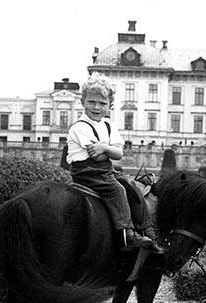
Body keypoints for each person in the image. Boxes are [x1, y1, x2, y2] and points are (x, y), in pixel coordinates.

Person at [67, 72, 163, 254]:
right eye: (91, 102)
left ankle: (148, 229)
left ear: (110, 105)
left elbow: (118, 154)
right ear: (83, 102)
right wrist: (107, 150)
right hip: (86, 172)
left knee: (131, 186)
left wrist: (104, 148)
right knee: (116, 189)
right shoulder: (80, 127)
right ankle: (127, 233)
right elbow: (97, 156)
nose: (96, 107)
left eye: (102, 103)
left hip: (104, 170)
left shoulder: (108, 125)